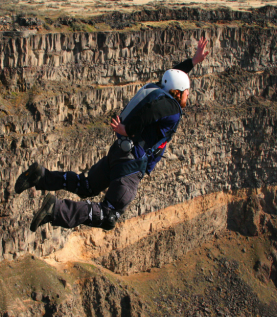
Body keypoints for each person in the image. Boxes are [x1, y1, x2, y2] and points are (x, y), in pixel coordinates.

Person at [14, 37, 210, 232]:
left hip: (121, 152)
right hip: (131, 162)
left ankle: (42, 177)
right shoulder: (172, 106)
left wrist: (193, 62)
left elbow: (172, 77)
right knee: (109, 215)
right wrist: (129, 129)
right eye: (187, 91)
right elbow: (153, 109)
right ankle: (56, 209)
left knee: (87, 186)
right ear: (178, 92)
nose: (188, 95)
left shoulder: (160, 90)